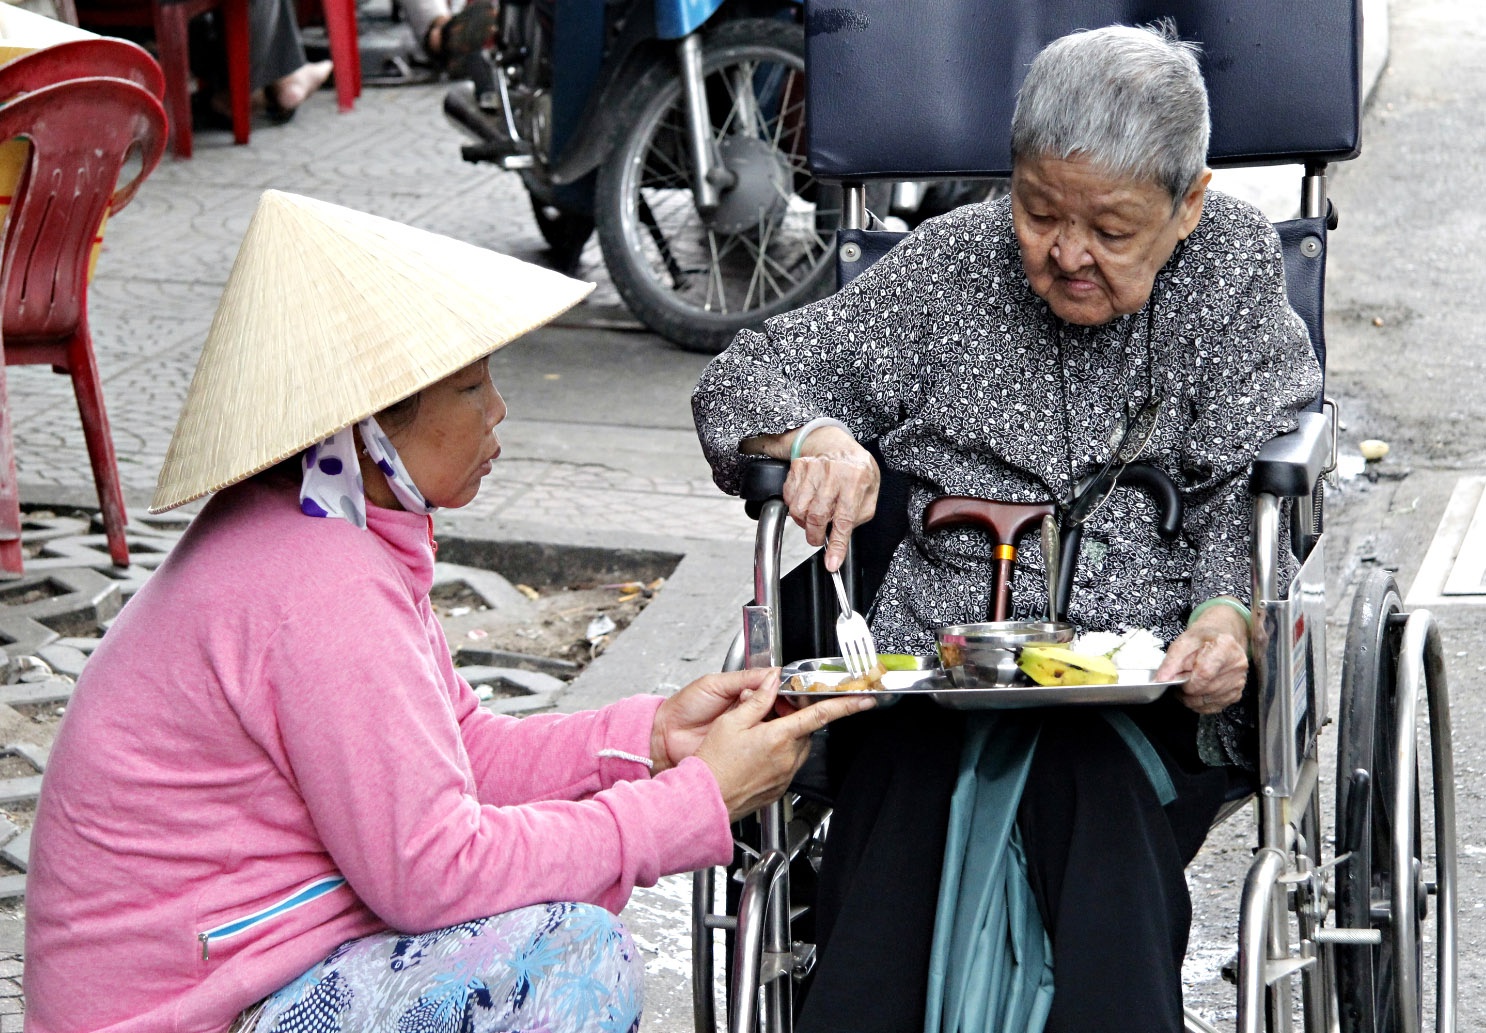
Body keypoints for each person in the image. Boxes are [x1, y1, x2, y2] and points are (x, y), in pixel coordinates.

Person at [24, 191, 874, 1033]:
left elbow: (459, 754)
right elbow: (433, 871)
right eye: (470, 386)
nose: (497, 409)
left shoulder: (321, 532)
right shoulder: (318, 585)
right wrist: (691, 804)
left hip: (236, 972)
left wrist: (654, 738)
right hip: (181, 1009)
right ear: (368, 431)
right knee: (569, 956)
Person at [691, 23, 1323, 1033]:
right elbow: (746, 374)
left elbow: (1249, 476)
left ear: (1186, 203)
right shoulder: (951, 263)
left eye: (1110, 231)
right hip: (934, 682)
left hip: (1140, 693)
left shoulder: (1233, 267)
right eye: (1038, 212)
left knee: (1092, 789)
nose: (1068, 253)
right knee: (899, 802)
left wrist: (1223, 615)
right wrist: (819, 435)